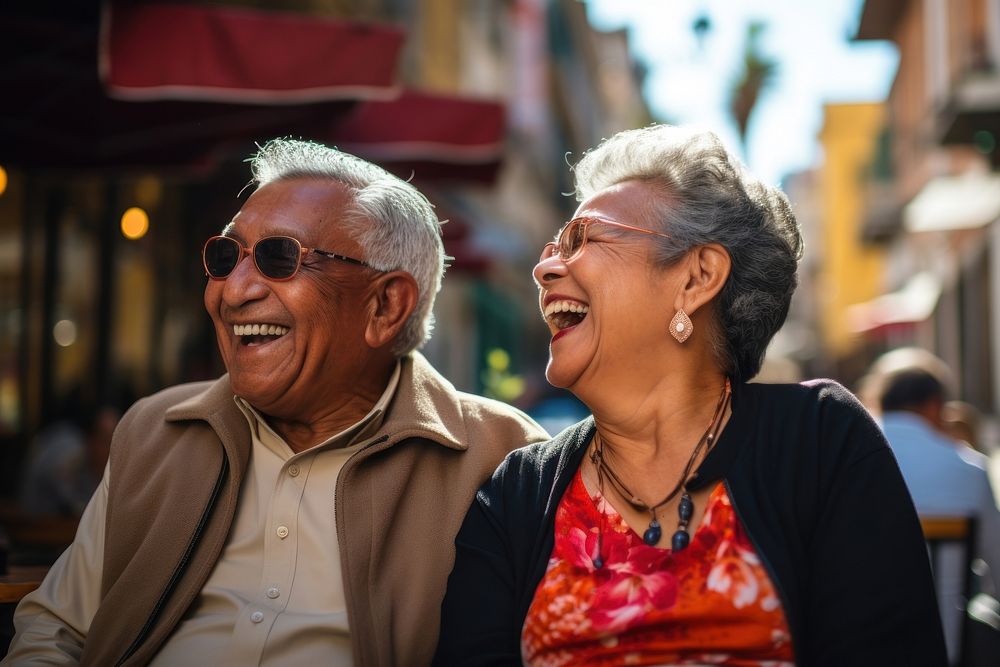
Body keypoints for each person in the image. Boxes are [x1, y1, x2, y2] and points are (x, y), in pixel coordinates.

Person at [4, 139, 548, 666]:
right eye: (225, 256)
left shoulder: (504, 463)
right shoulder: (155, 431)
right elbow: (57, 629)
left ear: (386, 305)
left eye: (278, 258)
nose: (233, 291)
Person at [435, 125, 947, 666]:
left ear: (697, 277)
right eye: (551, 248)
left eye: (582, 238)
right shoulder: (517, 493)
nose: (544, 269)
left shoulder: (820, 442)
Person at [873, 349, 1000, 663]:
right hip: (946, 646)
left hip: (858, 647)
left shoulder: (840, 459)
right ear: (934, 405)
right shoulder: (969, 469)